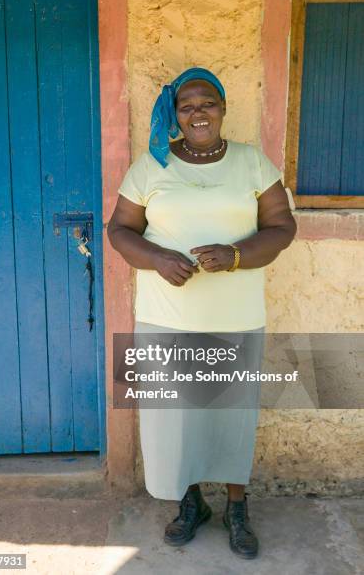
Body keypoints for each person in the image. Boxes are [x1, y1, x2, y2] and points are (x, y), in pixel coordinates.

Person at [108, 67, 296, 559]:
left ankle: (237, 505)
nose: (198, 113)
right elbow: (121, 230)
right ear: (175, 114)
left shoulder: (253, 164)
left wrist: (235, 255)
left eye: (207, 102)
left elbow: (281, 227)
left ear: (224, 108)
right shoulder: (151, 167)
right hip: (166, 316)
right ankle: (191, 503)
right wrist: (155, 258)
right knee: (176, 418)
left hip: (234, 316)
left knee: (231, 414)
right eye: (187, 105)